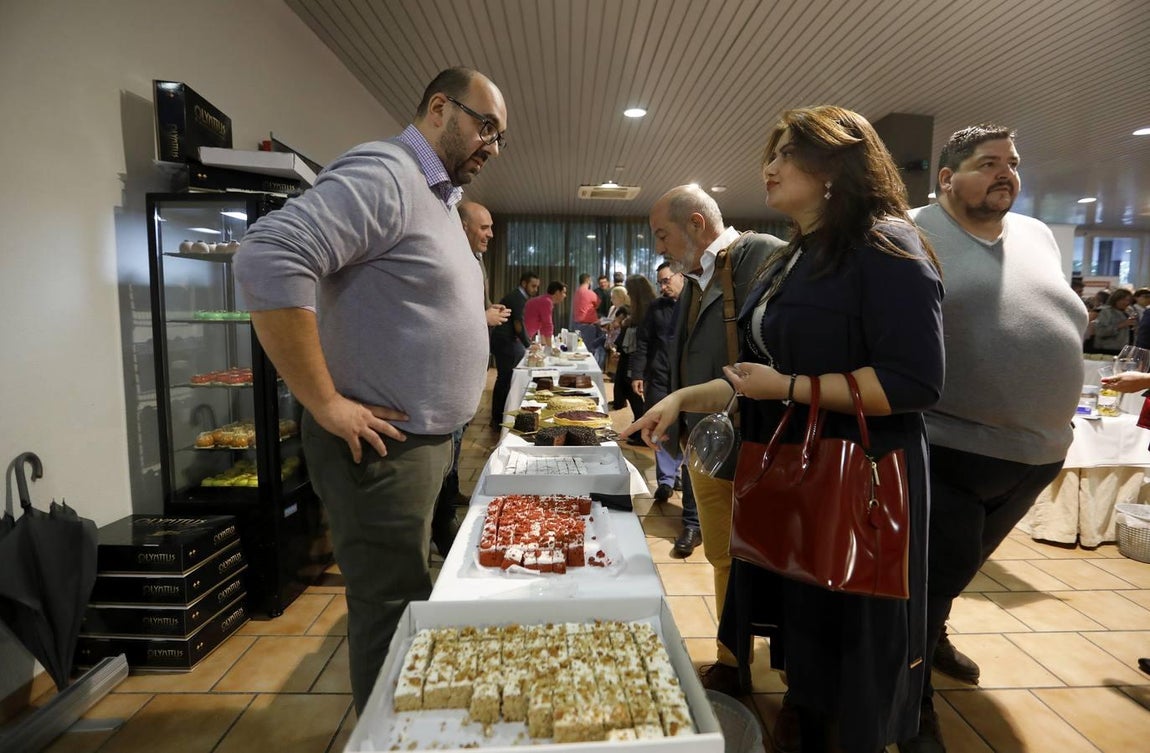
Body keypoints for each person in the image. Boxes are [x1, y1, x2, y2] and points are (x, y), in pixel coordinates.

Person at [626, 106, 944, 753]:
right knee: (806, 640)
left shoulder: (887, 245)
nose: (768, 168)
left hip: (855, 478)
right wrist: (683, 397)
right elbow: (761, 374)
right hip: (796, 471)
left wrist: (791, 389)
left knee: (850, 650)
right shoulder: (795, 256)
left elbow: (913, 381)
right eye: (769, 155)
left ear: (835, 165)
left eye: (785, 155)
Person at [233, 66, 507, 715]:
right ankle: (390, 735)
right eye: (486, 127)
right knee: (391, 609)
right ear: (439, 108)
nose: (493, 147)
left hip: (422, 442)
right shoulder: (387, 172)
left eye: (501, 137)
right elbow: (268, 255)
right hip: (384, 449)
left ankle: (408, 722)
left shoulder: (436, 197)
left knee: (408, 596)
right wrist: (325, 401)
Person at [901, 123, 1086, 753]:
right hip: (948, 445)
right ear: (946, 178)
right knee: (927, 582)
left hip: (1037, 451)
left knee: (958, 571)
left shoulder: (1036, 233)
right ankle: (912, 709)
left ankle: (935, 637)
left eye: (1012, 162)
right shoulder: (909, 230)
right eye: (987, 163)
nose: (1005, 173)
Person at [643, 184, 786, 696]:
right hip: (706, 442)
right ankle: (732, 657)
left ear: (696, 224)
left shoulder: (761, 254)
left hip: (757, 441)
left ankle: (786, 672)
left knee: (770, 559)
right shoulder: (696, 277)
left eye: (663, 234)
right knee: (722, 555)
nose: (660, 247)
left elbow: (778, 350)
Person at [431, 200, 510, 557]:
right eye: (484, 227)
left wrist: (486, 312)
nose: (490, 234)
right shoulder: (447, 258)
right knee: (446, 452)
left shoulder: (474, 259)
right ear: (463, 226)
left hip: (465, 380)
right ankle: (442, 522)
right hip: (444, 380)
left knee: (456, 448)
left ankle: (449, 502)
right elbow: (442, 317)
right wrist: (484, 318)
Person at [631, 263, 700, 551]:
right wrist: (637, 373)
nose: (662, 286)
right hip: (659, 379)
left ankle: (692, 521)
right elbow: (643, 342)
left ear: (681, 276)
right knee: (661, 432)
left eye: (666, 280)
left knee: (691, 443)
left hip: (691, 384)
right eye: (659, 282)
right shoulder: (656, 308)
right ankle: (666, 481)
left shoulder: (697, 304)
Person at [490, 271, 540, 427]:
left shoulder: (517, 296)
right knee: (505, 380)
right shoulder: (518, 298)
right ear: (524, 283)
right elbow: (518, 324)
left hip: (503, 341)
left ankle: (498, 417)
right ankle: (498, 419)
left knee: (504, 379)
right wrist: (528, 344)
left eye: (537, 287)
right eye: (533, 286)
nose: (535, 289)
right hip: (504, 342)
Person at [613, 275, 657, 424]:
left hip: (638, 360)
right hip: (631, 358)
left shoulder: (650, 312)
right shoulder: (638, 311)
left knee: (635, 393)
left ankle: (640, 423)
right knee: (629, 391)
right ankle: (638, 422)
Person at [573, 273, 607, 367]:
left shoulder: (577, 292)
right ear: (588, 281)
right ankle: (593, 368)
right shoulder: (590, 293)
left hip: (577, 324)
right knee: (591, 349)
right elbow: (598, 303)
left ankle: (581, 367)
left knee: (580, 348)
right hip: (588, 325)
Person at [1092, 287, 1136, 354]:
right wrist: (1121, 325)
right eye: (1123, 300)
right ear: (1115, 299)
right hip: (1108, 350)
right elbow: (1100, 332)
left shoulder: (1128, 312)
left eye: (1128, 300)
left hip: (1125, 350)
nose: (1126, 302)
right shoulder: (1106, 312)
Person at [523, 280, 568, 346]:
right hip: (520, 337)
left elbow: (543, 325)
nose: (565, 295)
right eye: (564, 293)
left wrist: (544, 344)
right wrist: (550, 347)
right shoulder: (546, 302)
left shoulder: (544, 299)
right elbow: (547, 325)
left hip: (523, 336)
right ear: (557, 292)